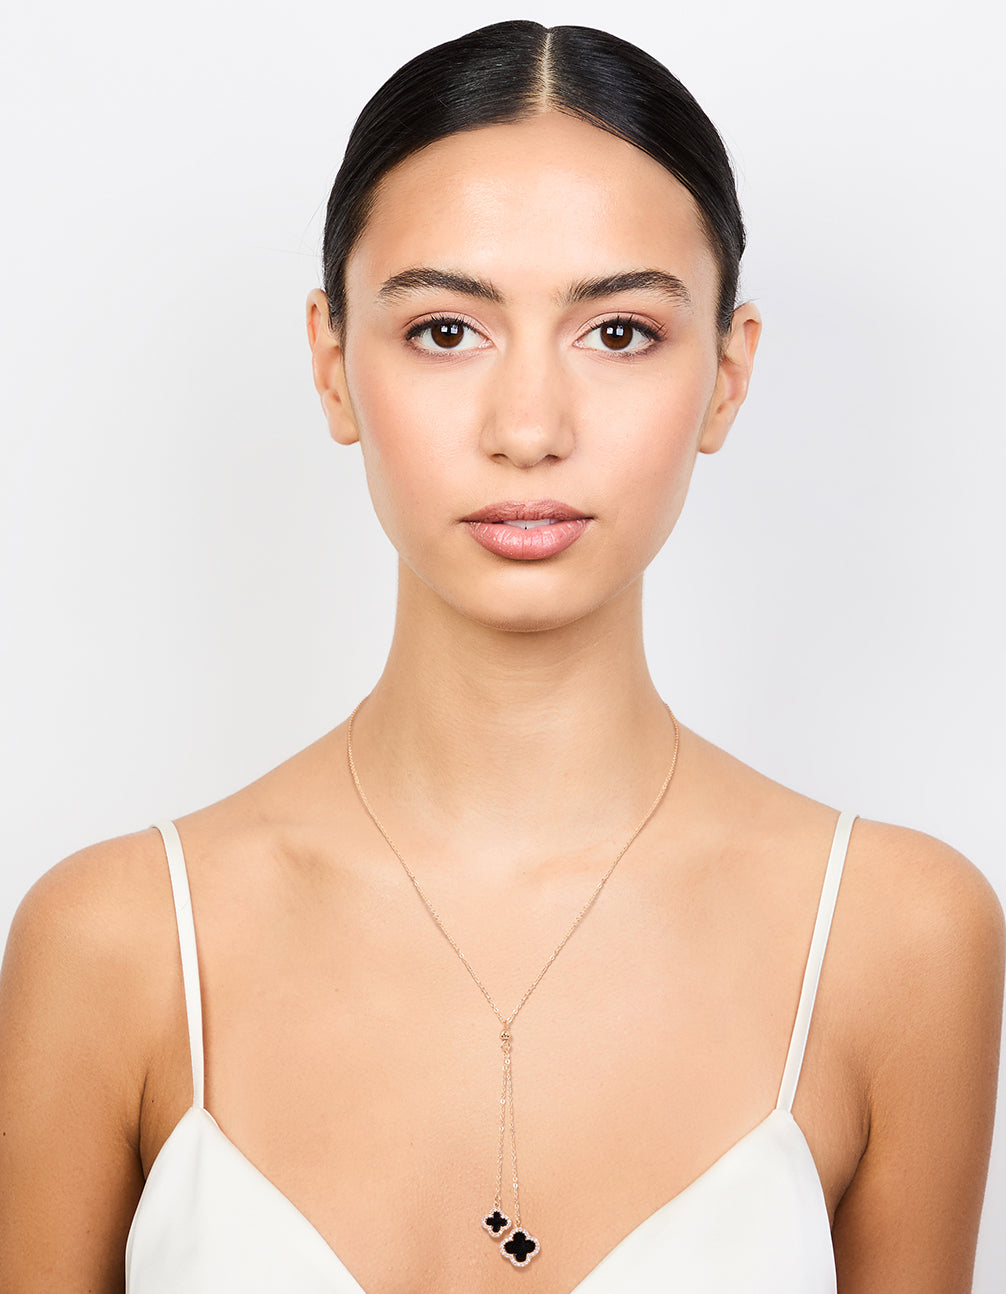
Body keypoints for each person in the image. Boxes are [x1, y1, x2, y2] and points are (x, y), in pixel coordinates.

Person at [0, 19, 1002, 1293]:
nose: (528, 427)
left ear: (727, 373)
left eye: (619, 332)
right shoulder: (117, 941)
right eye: (444, 330)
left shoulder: (895, 933)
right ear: (332, 364)